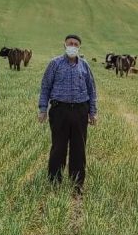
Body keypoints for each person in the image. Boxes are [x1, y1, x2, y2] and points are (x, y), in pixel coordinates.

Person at [38, 34, 97, 191]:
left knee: (79, 148)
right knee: (58, 147)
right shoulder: (55, 64)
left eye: (76, 44)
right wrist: (43, 109)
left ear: (79, 47)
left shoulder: (84, 66)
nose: (73, 45)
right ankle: (54, 182)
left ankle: (77, 184)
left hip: (80, 111)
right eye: (70, 43)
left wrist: (93, 111)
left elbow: (92, 90)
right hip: (59, 111)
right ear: (64, 45)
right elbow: (45, 87)